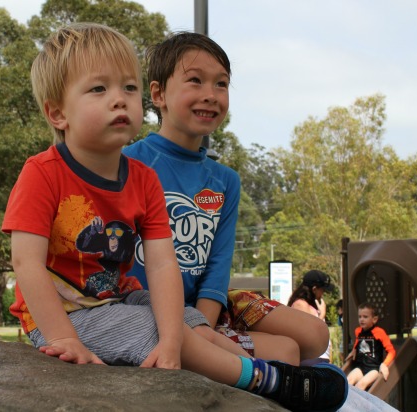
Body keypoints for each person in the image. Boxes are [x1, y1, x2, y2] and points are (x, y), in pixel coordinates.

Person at [2, 22, 348, 411]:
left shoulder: (142, 178)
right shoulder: (43, 172)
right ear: (57, 113)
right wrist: (63, 338)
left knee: (188, 323)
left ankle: (255, 367)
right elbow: (26, 263)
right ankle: (265, 380)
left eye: (128, 88)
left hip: (118, 296)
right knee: (158, 329)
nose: (119, 99)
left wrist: (172, 340)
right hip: (66, 315)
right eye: (99, 89)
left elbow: (165, 265)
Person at [123, 31, 329, 365]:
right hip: (149, 309)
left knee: (316, 335)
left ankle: (216, 344)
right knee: (287, 353)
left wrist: (206, 324)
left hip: (208, 306)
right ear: (158, 94)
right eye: (195, 81)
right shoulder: (127, 163)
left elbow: (218, 265)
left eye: (221, 84)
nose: (211, 95)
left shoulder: (225, 181)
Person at [345, 303, 396, 390]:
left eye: (365, 317)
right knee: (348, 381)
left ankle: (358, 403)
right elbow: (358, 342)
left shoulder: (379, 332)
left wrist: (384, 364)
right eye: (360, 317)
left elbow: (391, 351)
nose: (361, 319)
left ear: (374, 319)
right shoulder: (358, 331)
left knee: (361, 384)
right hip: (360, 367)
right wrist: (354, 350)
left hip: (373, 368)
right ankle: (346, 403)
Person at [288, 270, 334, 365]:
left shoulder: (313, 305)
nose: (323, 294)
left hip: (321, 358)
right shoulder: (300, 304)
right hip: (311, 360)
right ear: (314, 289)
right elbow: (310, 333)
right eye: (323, 290)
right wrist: (322, 315)